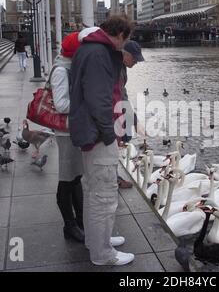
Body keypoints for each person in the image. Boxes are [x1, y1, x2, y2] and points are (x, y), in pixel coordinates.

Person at [69, 16, 135, 266]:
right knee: (104, 196)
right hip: (98, 135)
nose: (124, 45)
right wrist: (110, 134)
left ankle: (97, 241)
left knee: (92, 190)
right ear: (119, 34)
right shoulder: (98, 54)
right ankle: (103, 253)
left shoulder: (90, 50)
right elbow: (100, 101)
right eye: (125, 39)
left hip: (90, 133)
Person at [49, 32, 85, 243]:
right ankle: (69, 226)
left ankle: (79, 220)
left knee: (76, 176)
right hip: (65, 132)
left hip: (73, 130)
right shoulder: (62, 71)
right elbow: (61, 105)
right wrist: (85, 105)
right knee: (66, 179)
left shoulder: (68, 68)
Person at [116, 40, 145, 189]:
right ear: (125, 54)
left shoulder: (121, 67)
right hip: (111, 111)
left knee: (123, 138)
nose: (136, 63)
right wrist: (134, 120)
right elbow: (121, 96)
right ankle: (113, 178)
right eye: (135, 59)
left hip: (117, 108)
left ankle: (114, 175)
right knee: (116, 140)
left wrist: (134, 120)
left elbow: (123, 94)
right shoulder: (115, 67)